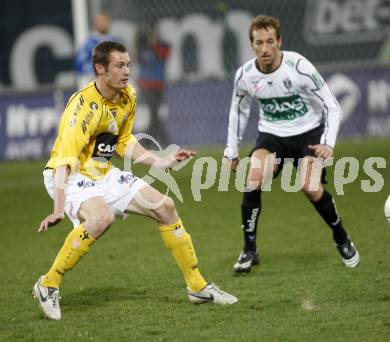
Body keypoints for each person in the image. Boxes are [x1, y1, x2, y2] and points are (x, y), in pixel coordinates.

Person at [33, 41, 237, 321]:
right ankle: (48, 283)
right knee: (101, 218)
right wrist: (58, 208)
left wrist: (161, 160)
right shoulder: (82, 107)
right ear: (100, 69)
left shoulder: (127, 95)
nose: (127, 71)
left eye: (128, 64)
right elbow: (63, 162)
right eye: (119, 65)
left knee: (165, 206)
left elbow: (124, 142)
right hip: (70, 175)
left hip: (103, 172)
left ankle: (197, 286)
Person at [223, 15, 360, 273]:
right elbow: (237, 112)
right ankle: (249, 250)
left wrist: (328, 144)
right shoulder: (245, 75)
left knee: (309, 187)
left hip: (308, 134)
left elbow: (332, 106)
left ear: (279, 42)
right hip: (272, 137)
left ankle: (341, 237)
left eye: (270, 41)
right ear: (252, 45)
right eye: (258, 42)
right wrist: (231, 151)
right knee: (252, 179)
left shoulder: (299, 67)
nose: (265, 48)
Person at [135, 23, 170, 146]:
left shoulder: (164, 46)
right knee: (154, 113)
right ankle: (163, 141)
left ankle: (147, 142)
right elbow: (139, 59)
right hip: (146, 85)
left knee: (155, 114)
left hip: (158, 85)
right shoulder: (142, 48)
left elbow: (163, 56)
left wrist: (153, 45)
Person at [74, 12, 114, 87]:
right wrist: (90, 72)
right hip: (93, 79)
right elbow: (80, 61)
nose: (103, 24)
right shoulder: (90, 42)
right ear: (96, 24)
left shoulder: (114, 41)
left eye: (105, 21)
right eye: (100, 21)